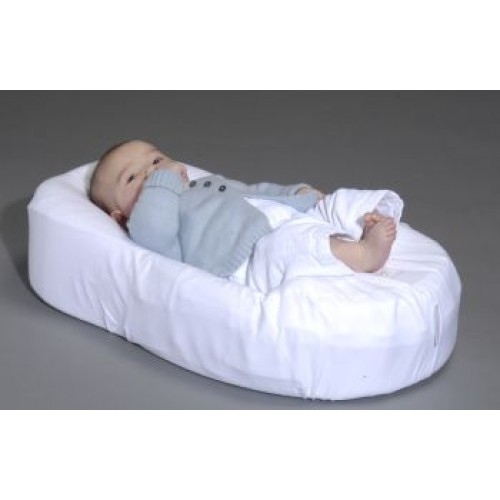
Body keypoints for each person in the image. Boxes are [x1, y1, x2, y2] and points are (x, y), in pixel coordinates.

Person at [89, 139, 402, 293]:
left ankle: (366, 220)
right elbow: (153, 227)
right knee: (292, 244)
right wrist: (162, 181)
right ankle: (362, 254)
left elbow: (253, 192)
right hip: (250, 257)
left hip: (277, 217)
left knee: (331, 204)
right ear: (120, 217)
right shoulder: (149, 227)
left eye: (157, 161)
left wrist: (296, 194)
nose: (151, 173)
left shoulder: (202, 185)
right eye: (132, 178)